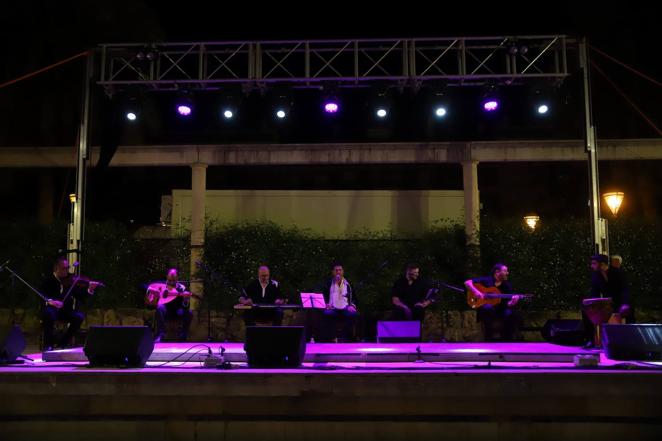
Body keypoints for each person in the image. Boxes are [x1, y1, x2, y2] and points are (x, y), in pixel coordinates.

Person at [40, 256, 100, 350]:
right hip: (51, 309)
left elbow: (80, 295)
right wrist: (51, 301)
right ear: (56, 268)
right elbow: (42, 295)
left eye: (68, 268)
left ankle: (63, 342)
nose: (67, 270)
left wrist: (90, 289)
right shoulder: (48, 280)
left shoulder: (71, 281)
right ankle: (48, 344)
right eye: (65, 268)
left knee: (79, 316)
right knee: (48, 314)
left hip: (65, 311)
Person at [583, 254, 632, 348]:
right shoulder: (596, 276)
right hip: (608, 304)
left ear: (602, 264)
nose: (591, 266)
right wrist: (591, 304)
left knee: (628, 310)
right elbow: (595, 292)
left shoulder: (617, 273)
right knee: (587, 311)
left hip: (620, 301)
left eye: (594, 264)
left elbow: (625, 289)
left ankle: (630, 341)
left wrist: (625, 304)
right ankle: (590, 340)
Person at [464, 263, 521, 341]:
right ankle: (489, 339)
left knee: (512, 314)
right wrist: (476, 292)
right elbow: (467, 282)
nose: (507, 273)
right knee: (488, 308)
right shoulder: (486, 280)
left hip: (500, 309)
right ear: (497, 272)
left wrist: (512, 302)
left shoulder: (507, 285)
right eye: (505, 271)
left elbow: (507, 304)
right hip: (486, 308)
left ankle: (507, 340)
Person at [320, 262, 359, 342]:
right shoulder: (328, 284)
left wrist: (352, 305)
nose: (338, 272)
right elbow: (323, 296)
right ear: (333, 272)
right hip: (332, 307)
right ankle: (331, 338)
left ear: (343, 271)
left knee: (354, 314)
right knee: (326, 314)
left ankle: (350, 338)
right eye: (336, 270)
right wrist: (326, 304)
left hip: (345, 307)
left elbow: (354, 297)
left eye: (340, 270)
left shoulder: (348, 284)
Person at [154, 268, 192, 343]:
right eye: (170, 280)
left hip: (178, 312)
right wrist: (151, 290)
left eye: (173, 280)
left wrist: (185, 300)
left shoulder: (182, 288)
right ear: (167, 277)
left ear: (177, 278)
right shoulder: (161, 285)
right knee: (160, 308)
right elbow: (143, 286)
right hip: (166, 311)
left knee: (189, 313)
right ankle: (161, 334)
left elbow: (186, 307)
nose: (171, 282)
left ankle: (183, 335)